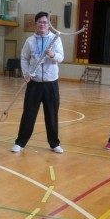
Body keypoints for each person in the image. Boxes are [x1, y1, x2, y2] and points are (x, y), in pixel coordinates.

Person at [11, 12, 64, 154]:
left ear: (49, 25)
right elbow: (24, 58)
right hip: (34, 83)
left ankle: (54, 143)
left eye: (45, 22)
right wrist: (26, 73)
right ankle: (20, 143)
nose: (42, 24)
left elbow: (61, 57)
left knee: (52, 115)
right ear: (36, 24)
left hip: (51, 83)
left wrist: (52, 55)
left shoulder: (55, 39)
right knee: (28, 114)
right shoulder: (30, 41)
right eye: (40, 22)